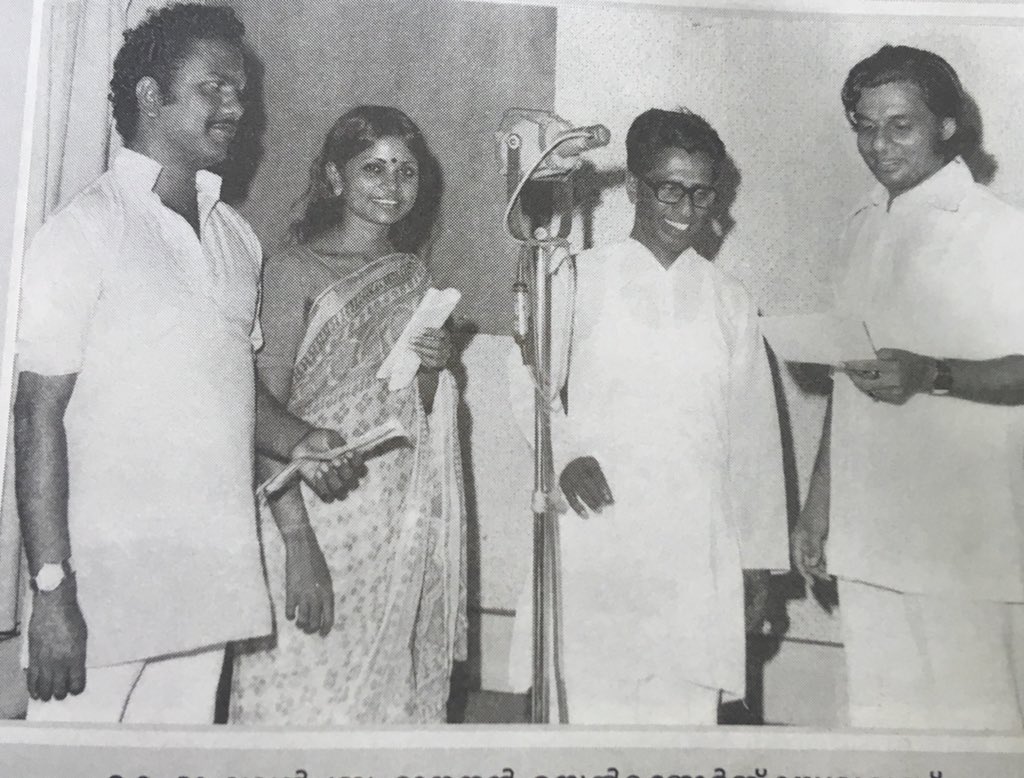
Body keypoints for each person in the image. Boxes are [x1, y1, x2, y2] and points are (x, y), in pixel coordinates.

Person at [14, 3, 360, 724]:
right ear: (150, 95)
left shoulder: (238, 241)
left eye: (241, 91)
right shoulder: (81, 232)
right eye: (215, 88)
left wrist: (299, 438)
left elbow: (234, 391)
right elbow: (35, 416)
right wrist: (51, 587)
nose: (238, 106)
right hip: (102, 590)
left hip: (208, 580)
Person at [508, 108, 787, 725]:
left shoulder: (731, 301)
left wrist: (758, 561)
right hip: (598, 537)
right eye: (669, 189)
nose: (686, 208)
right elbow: (528, 379)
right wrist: (565, 452)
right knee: (584, 719)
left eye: (701, 192)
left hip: (694, 552)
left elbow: (756, 438)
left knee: (682, 730)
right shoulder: (574, 276)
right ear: (634, 187)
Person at [792, 45, 1024, 730]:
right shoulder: (861, 228)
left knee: (977, 737)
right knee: (880, 731)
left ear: (947, 127)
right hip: (868, 535)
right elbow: (848, 379)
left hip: (961, 540)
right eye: (865, 125)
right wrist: (817, 505)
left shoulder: (999, 231)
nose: (878, 143)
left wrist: (933, 374)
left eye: (901, 125)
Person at [229, 106, 466, 725]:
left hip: (392, 521)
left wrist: (439, 366)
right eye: (374, 168)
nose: (392, 185)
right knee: (301, 691)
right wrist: (298, 541)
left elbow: (412, 404)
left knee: (380, 692)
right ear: (335, 179)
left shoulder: (413, 278)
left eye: (406, 171)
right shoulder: (292, 271)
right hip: (310, 510)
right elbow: (257, 407)